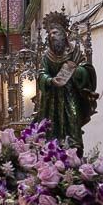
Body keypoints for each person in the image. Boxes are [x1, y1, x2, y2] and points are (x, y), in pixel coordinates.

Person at [34, 10, 97, 146]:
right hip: (51, 100)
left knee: (73, 122)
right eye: (50, 34)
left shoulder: (74, 52)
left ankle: (74, 153)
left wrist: (75, 71)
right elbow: (41, 74)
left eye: (55, 33)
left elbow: (87, 70)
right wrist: (51, 80)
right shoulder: (47, 56)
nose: (52, 36)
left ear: (63, 34)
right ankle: (52, 153)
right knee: (50, 131)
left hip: (70, 96)